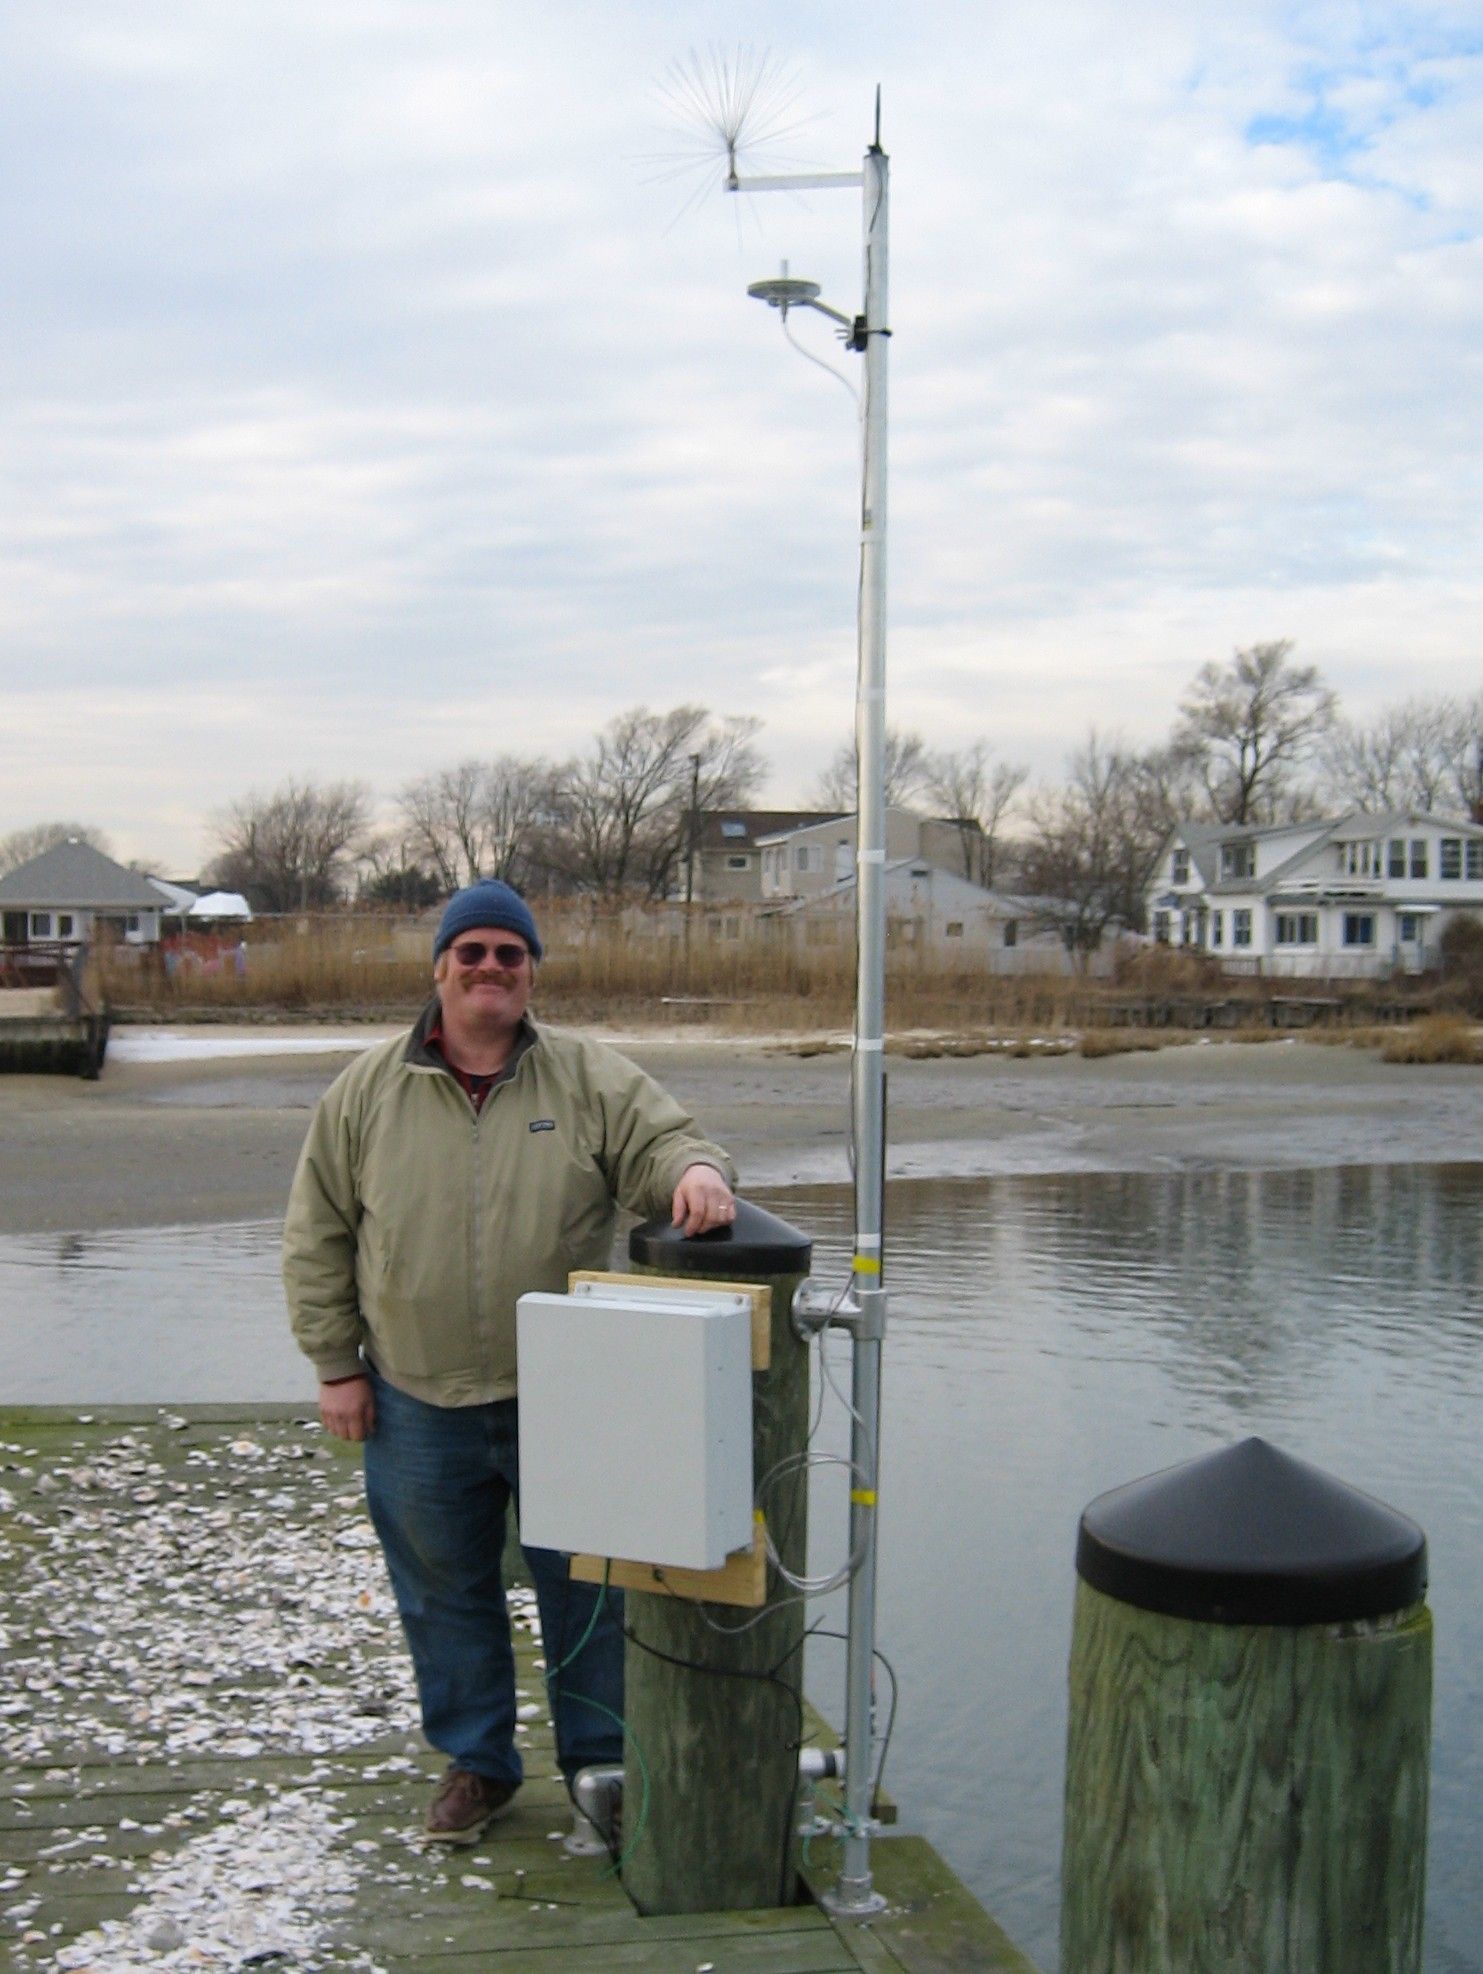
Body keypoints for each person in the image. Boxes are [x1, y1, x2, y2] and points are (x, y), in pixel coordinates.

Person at [282, 878, 736, 1844]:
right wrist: (336, 1365)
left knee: (589, 1591)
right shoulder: (362, 1092)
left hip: (567, 1396)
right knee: (444, 1592)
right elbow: (315, 1233)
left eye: (510, 954)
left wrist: (695, 1175)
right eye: (472, 952)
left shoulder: (587, 1077)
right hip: (413, 1397)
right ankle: (478, 1765)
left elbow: (666, 1141)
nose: (490, 968)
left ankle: (599, 1768)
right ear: (439, 967)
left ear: (531, 974)